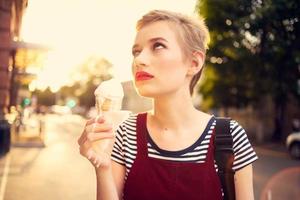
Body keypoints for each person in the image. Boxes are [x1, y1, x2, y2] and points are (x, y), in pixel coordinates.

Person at [78, 10, 258, 200]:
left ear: (194, 62)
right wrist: (103, 167)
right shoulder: (125, 133)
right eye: (136, 52)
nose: (139, 60)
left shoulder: (229, 137)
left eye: (158, 46)